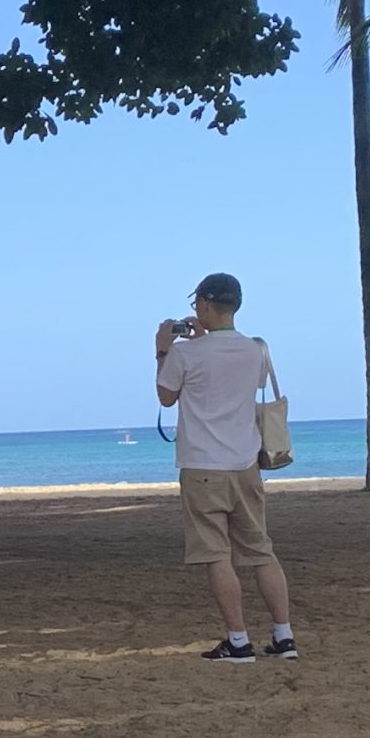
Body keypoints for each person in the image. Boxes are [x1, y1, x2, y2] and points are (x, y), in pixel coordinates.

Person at [154, 273, 297, 661]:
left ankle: (238, 640)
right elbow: (231, 384)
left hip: (202, 465)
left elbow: (167, 397)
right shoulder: (256, 350)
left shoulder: (185, 354)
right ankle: (284, 637)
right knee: (260, 551)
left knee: (216, 554)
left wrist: (163, 350)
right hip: (246, 464)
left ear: (202, 304)